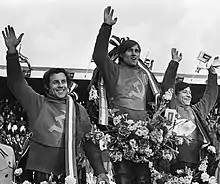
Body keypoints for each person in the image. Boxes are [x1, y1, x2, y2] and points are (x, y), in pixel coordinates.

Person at [2, 25, 109, 184]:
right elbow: (17, 83)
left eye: (63, 82)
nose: (60, 85)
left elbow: (89, 143)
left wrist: (100, 172)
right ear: (47, 87)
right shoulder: (37, 103)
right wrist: (12, 54)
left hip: (71, 173)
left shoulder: (79, 110)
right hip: (40, 173)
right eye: (55, 82)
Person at [92, 6, 182, 184]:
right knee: (123, 177)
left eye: (137, 51)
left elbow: (163, 94)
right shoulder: (114, 71)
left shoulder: (144, 74)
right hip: (120, 130)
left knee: (143, 178)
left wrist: (173, 65)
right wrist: (106, 27)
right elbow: (99, 55)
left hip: (144, 132)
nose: (134, 54)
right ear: (121, 54)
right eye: (130, 50)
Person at [170, 65, 219, 175]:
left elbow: (210, 96)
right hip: (178, 159)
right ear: (176, 95)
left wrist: (212, 74)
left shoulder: (197, 111)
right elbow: (168, 86)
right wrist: (174, 64)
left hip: (198, 159)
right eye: (184, 92)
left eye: (190, 93)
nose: (189, 95)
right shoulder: (173, 108)